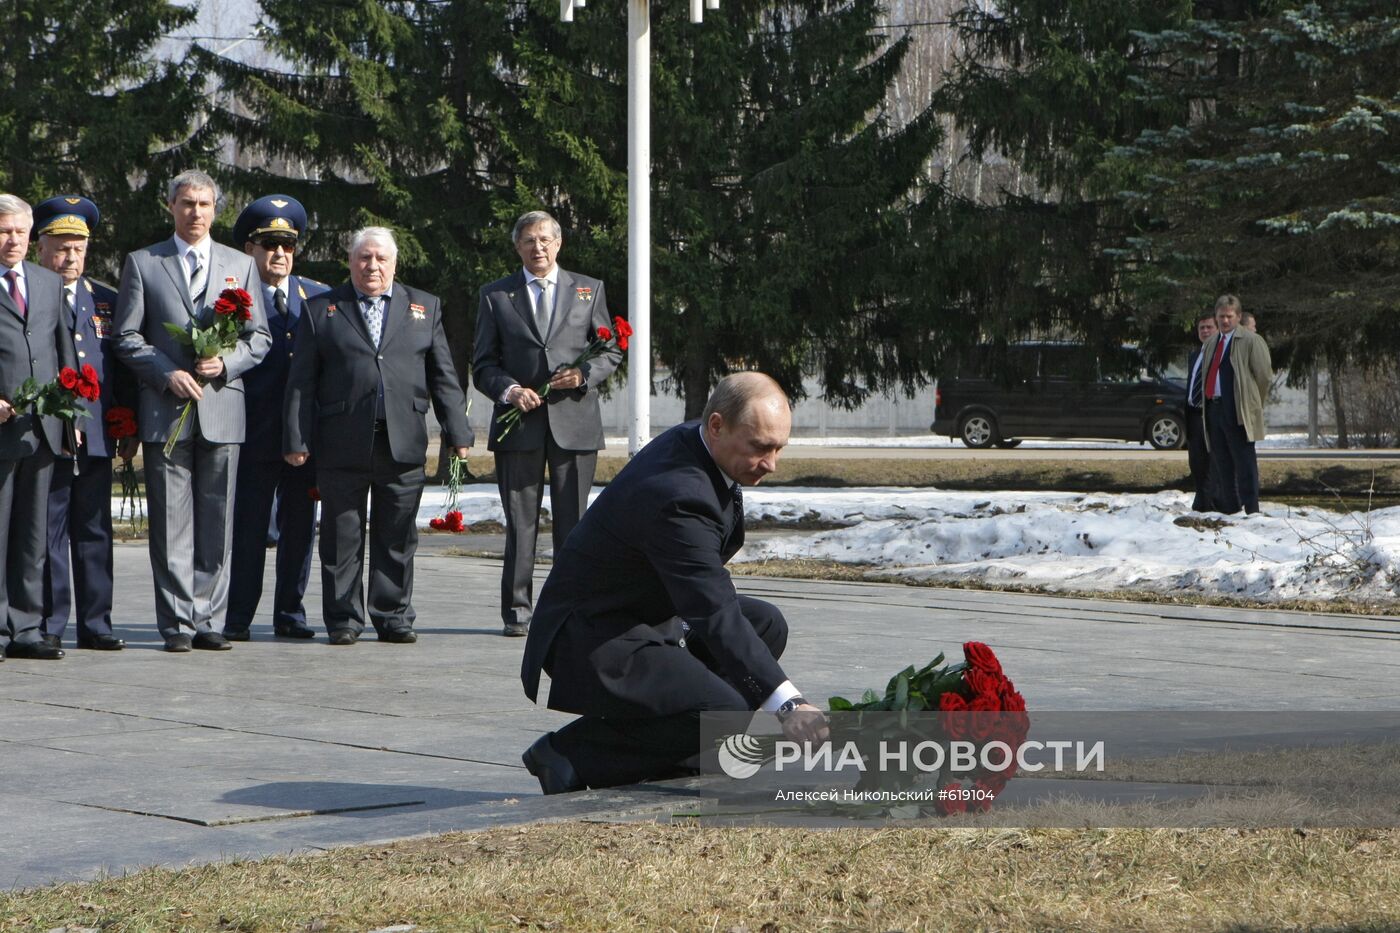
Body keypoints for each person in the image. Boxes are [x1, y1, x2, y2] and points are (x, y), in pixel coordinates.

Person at [520, 372, 829, 793]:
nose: (771, 463)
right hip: (594, 635)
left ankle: (683, 747)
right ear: (717, 426)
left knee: (764, 624)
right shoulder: (678, 494)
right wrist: (788, 704)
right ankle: (571, 754)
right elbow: (713, 609)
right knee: (723, 708)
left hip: (644, 612)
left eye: (778, 448)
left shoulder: (699, 446)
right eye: (759, 447)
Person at [284, 227, 473, 645]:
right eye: (364, 258)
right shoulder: (321, 309)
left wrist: (458, 431)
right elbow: (302, 383)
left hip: (402, 440)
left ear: (394, 263)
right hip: (340, 442)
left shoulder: (424, 306)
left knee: (397, 534)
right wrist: (297, 439)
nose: (372, 266)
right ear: (350, 262)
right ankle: (344, 619)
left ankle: (393, 616)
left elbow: (443, 377)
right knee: (341, 536)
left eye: (380, 259)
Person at [114, 170, 271, 652]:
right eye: (186, 203)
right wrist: (166, 372)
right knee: (171, 525)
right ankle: (177, 623)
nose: (195, 212)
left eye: (204, 204)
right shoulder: (144, 263)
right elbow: (126, 335)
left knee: (217, 521)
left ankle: (208, 620)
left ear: (216, 209)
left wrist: (225, 362)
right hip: (167, 411)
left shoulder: (239, 265)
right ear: (171, 207)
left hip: (222, 409)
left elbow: (259, 338)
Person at [473, 210, 619, 638]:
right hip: (519, 426)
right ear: (517, 247)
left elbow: (609, 350)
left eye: (545, 240)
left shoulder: (589, 291)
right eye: (528, 241)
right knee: (520, 526)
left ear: (558, 245)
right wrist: (510, 391)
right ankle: (518, 613)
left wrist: (584, 375)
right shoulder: (496, 295)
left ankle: (570, 609)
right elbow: (483, 364)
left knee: (574, 526)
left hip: (574, 425)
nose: (538, 248)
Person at [34, 196, 137, 652]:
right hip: (49, 435)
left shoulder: (108, 301)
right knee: (51, 531)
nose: (70, 257)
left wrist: (126, 424)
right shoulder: (31, 296)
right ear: (41, 248)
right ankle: (52, 623)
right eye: (60, 247)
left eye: (77, 247)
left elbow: (122, 369)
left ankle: (97, 623)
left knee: (95, 529)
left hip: (97, 435)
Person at [225, 195, 328, 641]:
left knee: (300, 530)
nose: (279, 255)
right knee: (248, 530)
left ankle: (290, 612)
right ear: (250, 248)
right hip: (253, 432)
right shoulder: (231, 299)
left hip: (305, 437)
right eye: (269, 245)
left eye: (287, 246)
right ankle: (239, 616)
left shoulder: (319, 297)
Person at [0, 194, 76, 661]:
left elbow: (62, 350)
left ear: (32, 237)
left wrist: (70, 416)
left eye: (19, 232)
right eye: (4, 231)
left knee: (32, 534)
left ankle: (26, 627)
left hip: (41, 427)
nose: (12, 240)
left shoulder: (48, 283)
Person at [1200, 295, 1272, 515]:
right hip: (1215, 407)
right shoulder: (1212, 343)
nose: (1224, 321)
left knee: (1244, 462)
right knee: (1222, 461)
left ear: (1238, 317)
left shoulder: (1250, 340)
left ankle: (1252, 509)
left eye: (1229, 316)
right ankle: (1230, 509)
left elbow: (1263, 376)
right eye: (1221, 316)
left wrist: (1251, 404)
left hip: (1238, 410)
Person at [1184, 311, 1217, 513]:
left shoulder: (1220, 355)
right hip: (1193, 415)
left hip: (1211, 416)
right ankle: (1201, 500)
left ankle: (1211, 503)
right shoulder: (1195, 355)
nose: (1205, 331)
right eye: (1201, 328)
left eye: (1209, 327)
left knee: (1212, 462)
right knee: (1196, 461)